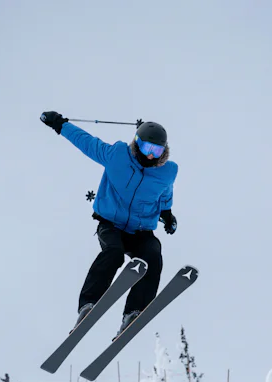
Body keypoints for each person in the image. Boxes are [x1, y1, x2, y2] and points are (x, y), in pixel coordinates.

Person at [40, 111, 178, 336]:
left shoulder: (167, 171)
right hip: (110, 224)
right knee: (113, 253)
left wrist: (168, 214)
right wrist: (60, 125)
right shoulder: (118, 156)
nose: (151, 156)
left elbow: (165, 193)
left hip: (141, 230)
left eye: (157, 151)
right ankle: (88, 304)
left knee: (153, 254)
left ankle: (134, 312)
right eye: (147, 149)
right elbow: (87, 143)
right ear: (137, 144)